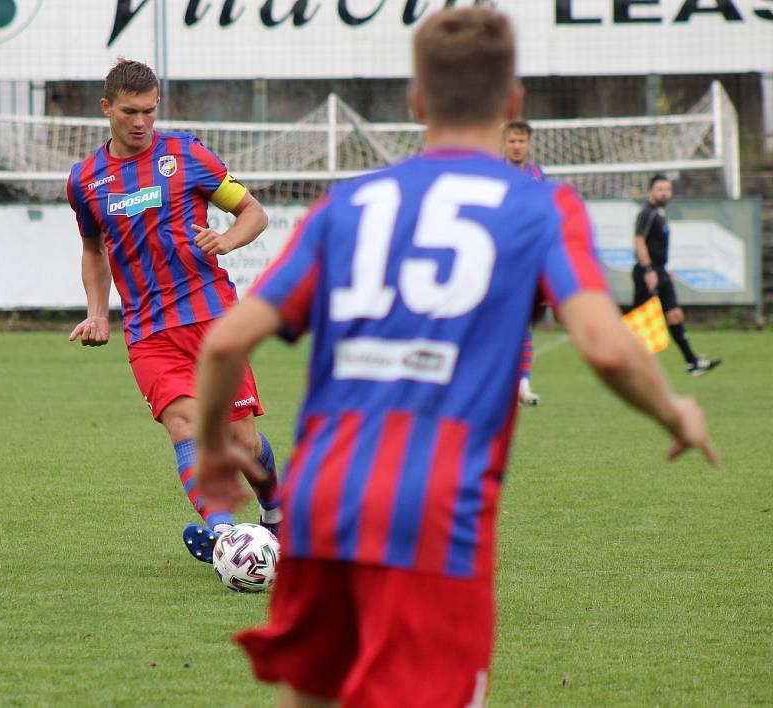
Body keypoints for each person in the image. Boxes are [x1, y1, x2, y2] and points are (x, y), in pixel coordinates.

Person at [194, 9, 718, 707]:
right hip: (434, 504)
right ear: (513, 102)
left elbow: (227, 341)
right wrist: (675, 410)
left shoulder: (348, 205)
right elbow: (602, 342)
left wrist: (210, 452)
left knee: (312, 696)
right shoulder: (538, 206)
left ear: (416, 101)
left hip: (321, 493)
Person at [66, 58, 281, 564]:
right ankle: (228, 538)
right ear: (106, 109)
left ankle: (275, 510)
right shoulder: (85, 181)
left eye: (149, 111)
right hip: (148, 332)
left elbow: (253, 211)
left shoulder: (188, 155)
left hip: (212, 319)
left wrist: (226, 239)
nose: (141, 122)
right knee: (185, 425)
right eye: (129, 112)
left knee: (239, 440)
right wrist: (98, 311)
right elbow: (93, 250)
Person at [633, 174, 721, 376]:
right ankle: (633, 367)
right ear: (651, 192)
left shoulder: (660, 214)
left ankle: (692, 363)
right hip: (649, 272)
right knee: (644, 324)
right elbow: (639, 242)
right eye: (660, 189)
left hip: (660, 271)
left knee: (675, 315)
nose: (664, 193)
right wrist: (648, 270)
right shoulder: (647, 214)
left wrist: (663, 269)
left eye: (667, 189)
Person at [504, 119, 544, 405]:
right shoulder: (492, 173)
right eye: (512, 141)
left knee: (525, 323)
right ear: (503, 143)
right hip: (496, 258)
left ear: (529, 144)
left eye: (521, 141)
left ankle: (522, 385)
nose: (517, 146)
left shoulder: (537, 175)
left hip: (525, 259)